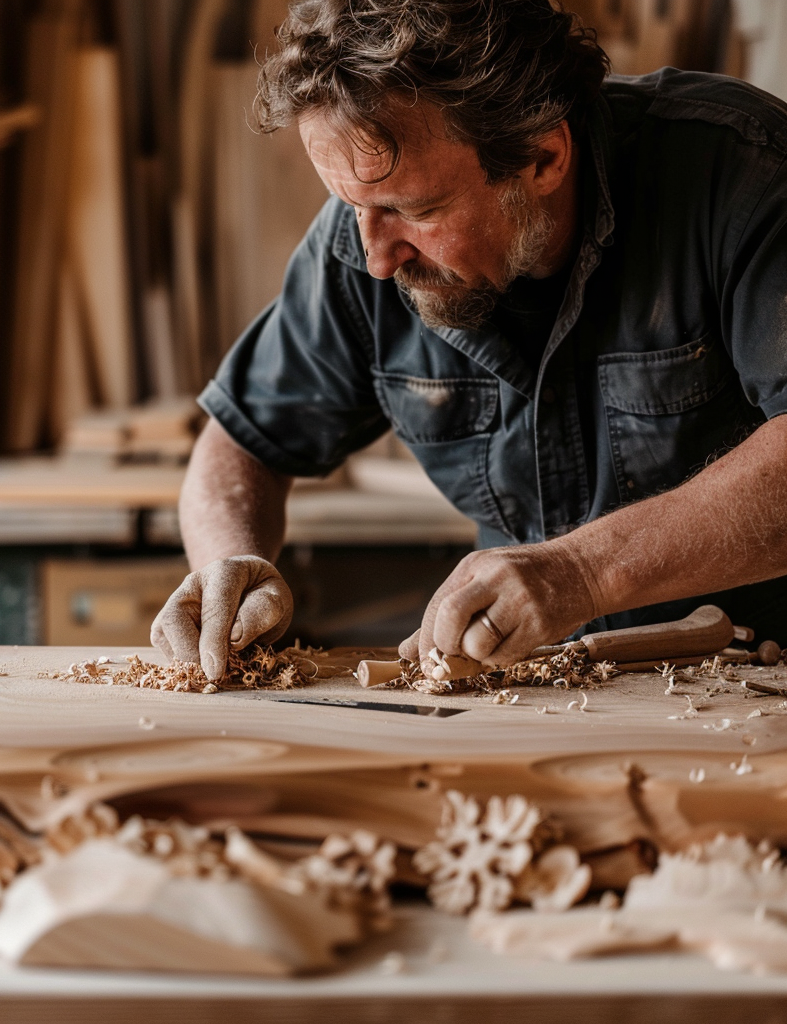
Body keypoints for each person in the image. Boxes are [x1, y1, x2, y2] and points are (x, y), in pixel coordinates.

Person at [152, 0, 787, 680]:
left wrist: (580, 571)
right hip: (544, 696)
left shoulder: (745, 178)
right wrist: (231, 560)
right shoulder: (365, 244)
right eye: (353, 206)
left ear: (543, 156)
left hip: (761, 684)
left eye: (415, 211)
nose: (374, 257)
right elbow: (244, 440)